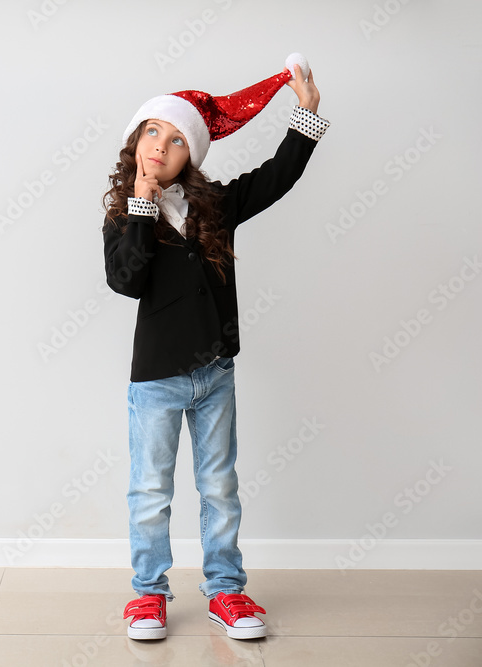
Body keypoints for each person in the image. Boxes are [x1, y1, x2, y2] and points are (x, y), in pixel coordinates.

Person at [100, 54, 330, 641]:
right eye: (153, 131)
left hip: (214, 372)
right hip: (156, 379)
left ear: (191, 156)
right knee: (151, 490)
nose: (161, 145)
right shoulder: (126, 217)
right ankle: (148, 596)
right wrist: (142, 206)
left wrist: (306, 118)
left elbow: (276, 177)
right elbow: (126, 281)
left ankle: (226, 590)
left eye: (177, 140)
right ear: (136, 141)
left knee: (219, 486)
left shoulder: (214, 207)